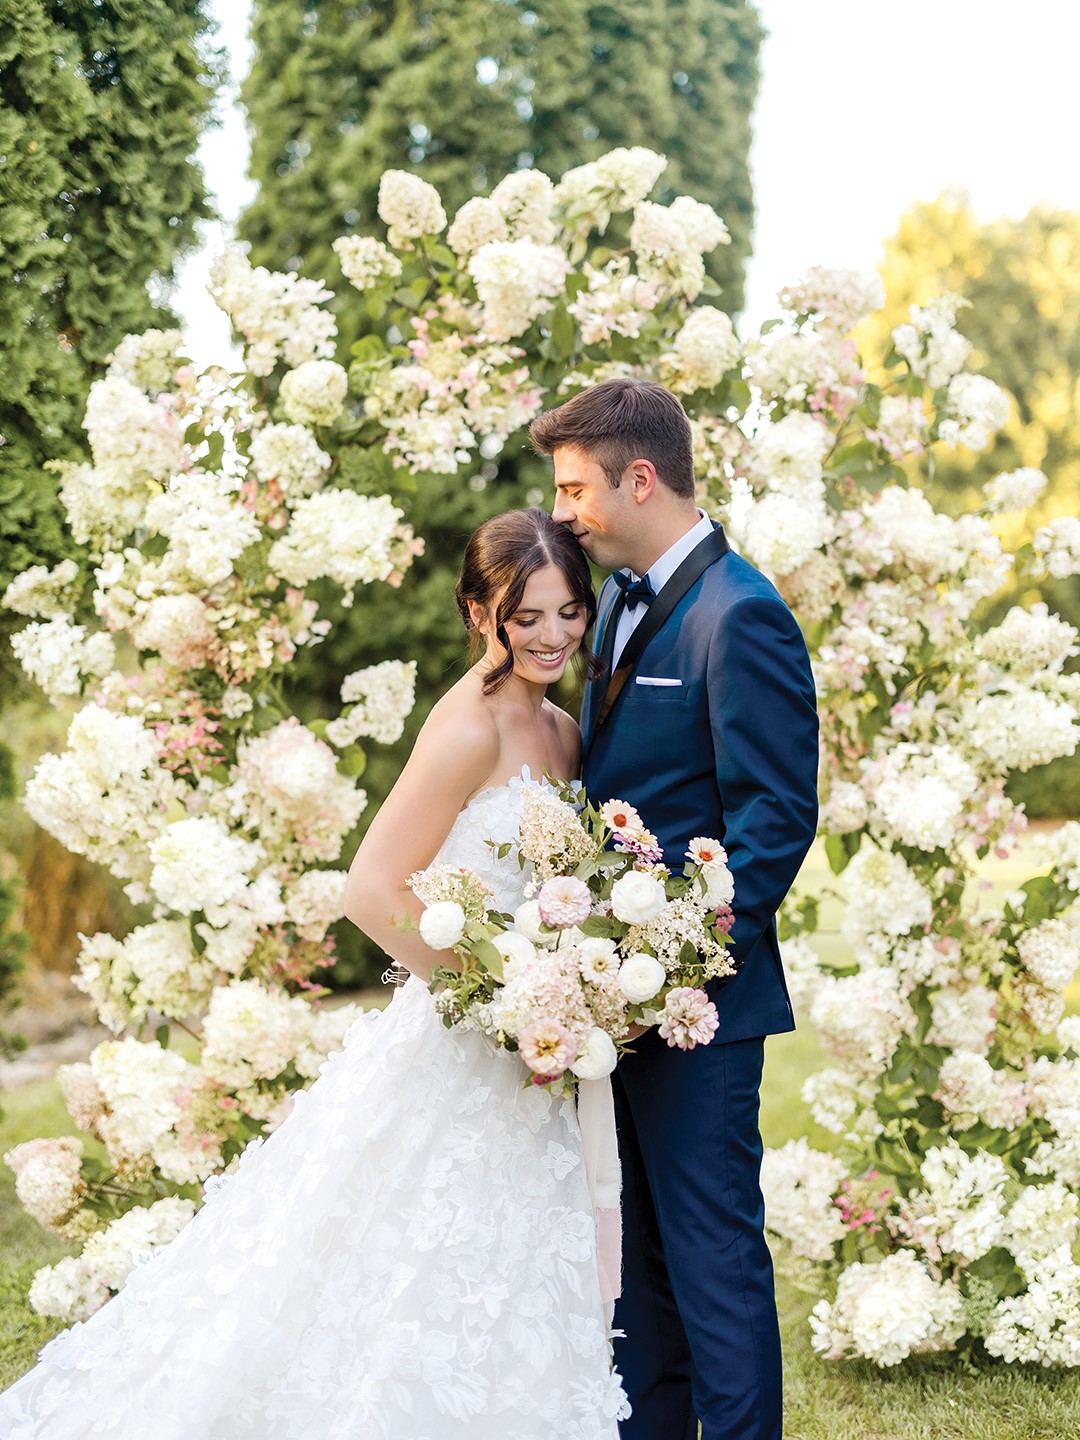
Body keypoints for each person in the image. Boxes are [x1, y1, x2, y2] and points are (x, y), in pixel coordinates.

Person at [0, 509, 630, 1440]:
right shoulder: (465, 729)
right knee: (386, 1266)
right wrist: (502, 1008)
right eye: (525, 615)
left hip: (535, 1053)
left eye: (569, 613)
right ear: (477, 611)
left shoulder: (564, 732)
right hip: (465, 1042)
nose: (551, 636)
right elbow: (371, 891)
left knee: (498, 1275)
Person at [531, 379, 820, 1440]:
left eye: (575, 488)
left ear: (638, 478)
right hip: (615, 1004)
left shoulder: (740, 613)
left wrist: (671, 976)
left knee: (712, 1263)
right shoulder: (613, 599)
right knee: (636, 1268)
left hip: (699, 1010)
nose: (563, 511)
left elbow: (776, 825)